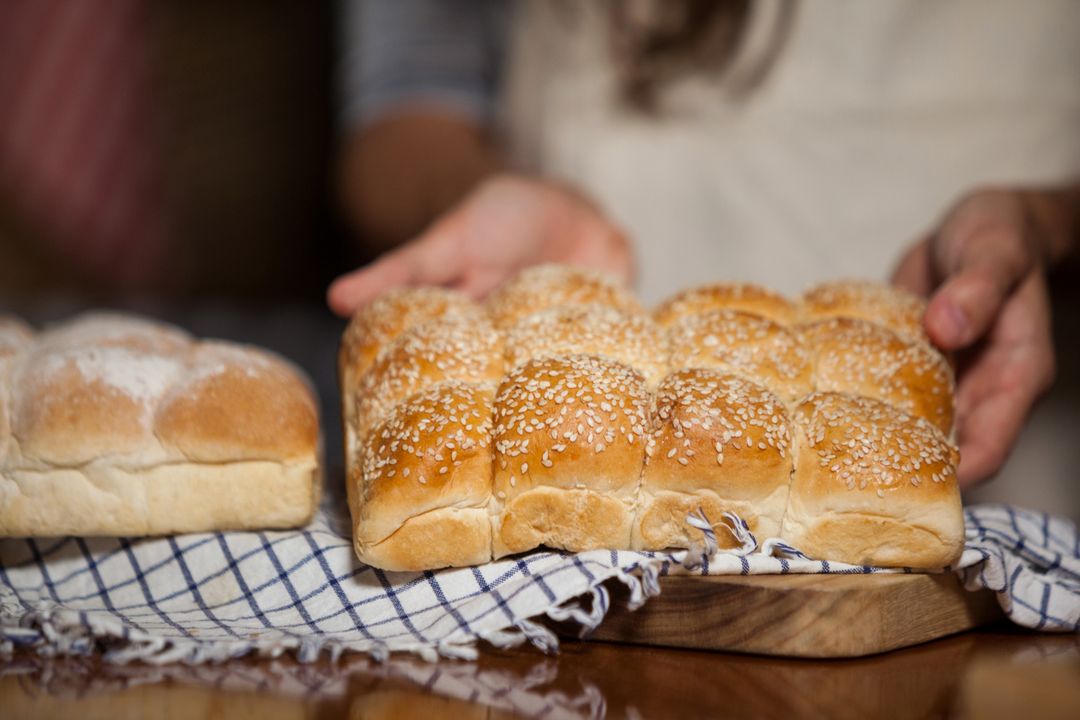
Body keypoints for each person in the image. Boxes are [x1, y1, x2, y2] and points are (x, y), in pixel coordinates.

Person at [328, 0, 1080, 491]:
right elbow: (404, 97)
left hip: (969, 423)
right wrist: (470, 191)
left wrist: (1045, 227)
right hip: (555, 443)